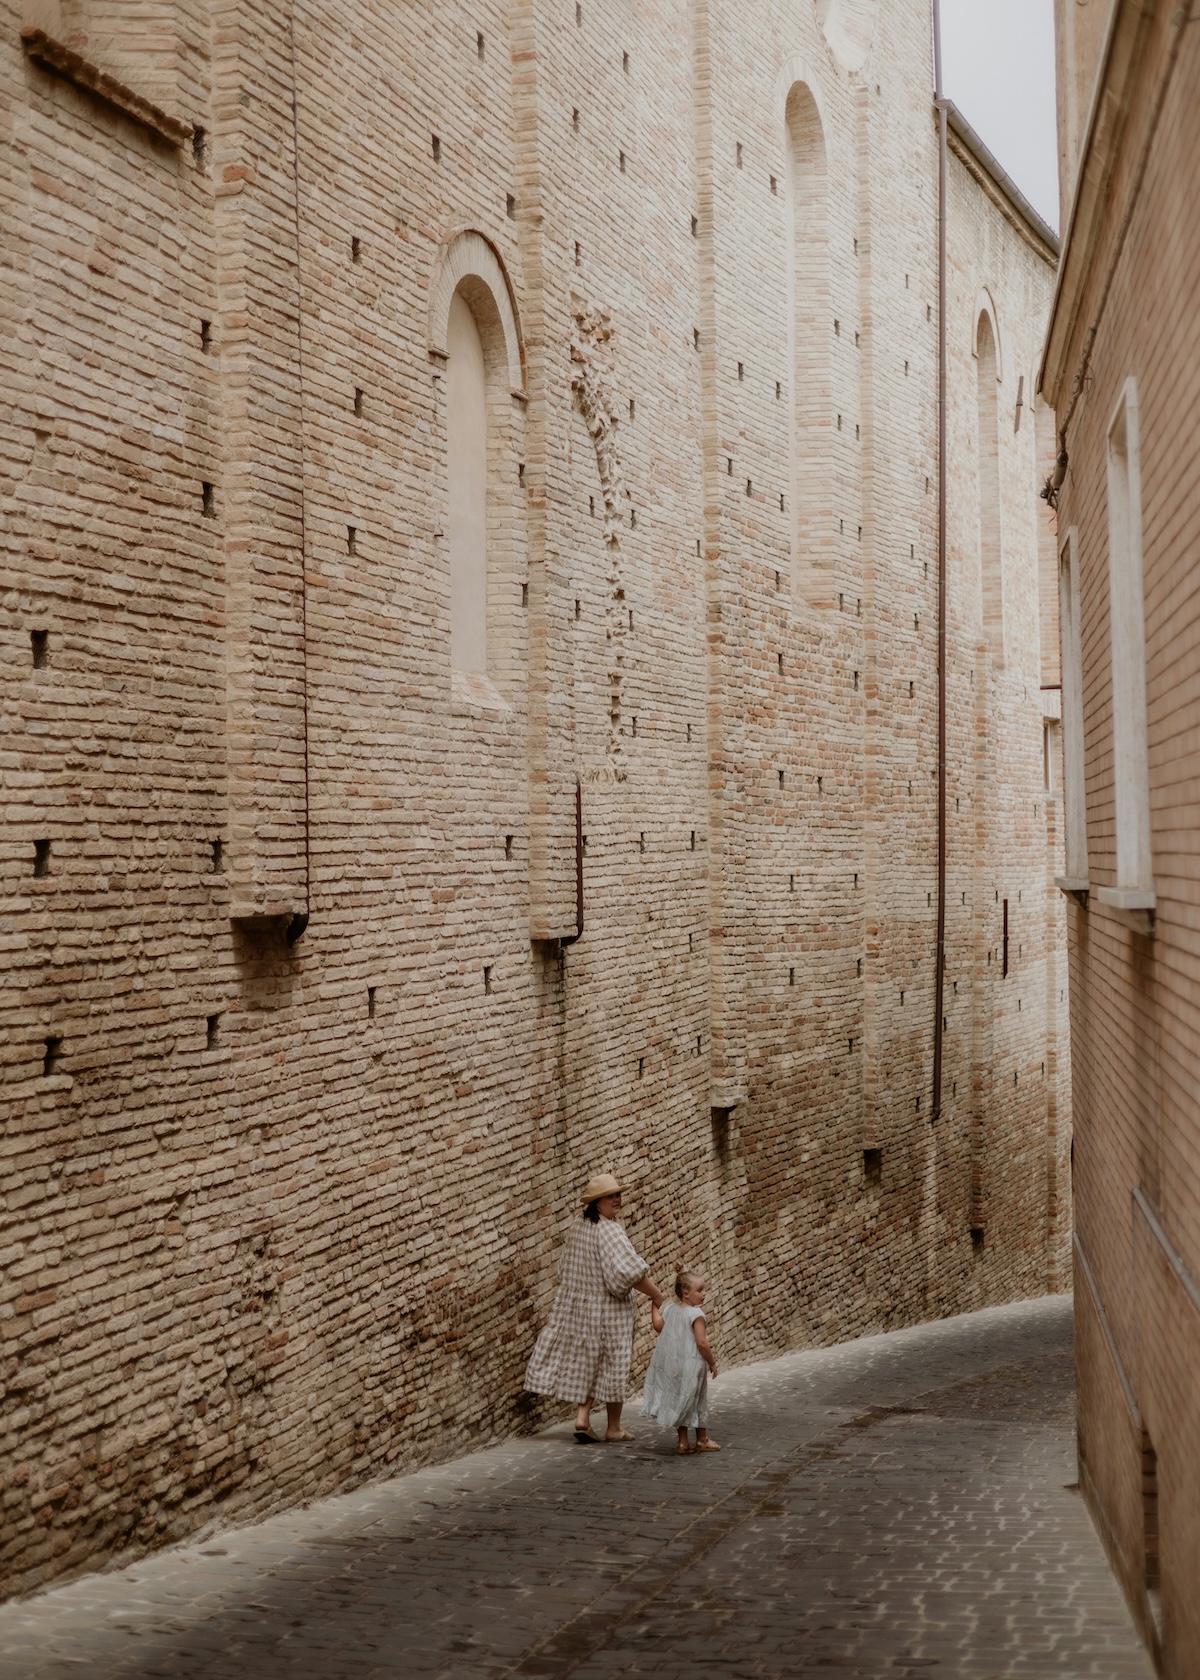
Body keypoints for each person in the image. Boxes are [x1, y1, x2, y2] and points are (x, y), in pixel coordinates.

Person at [524, 1174, 665, 1442]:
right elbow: (629, 1274)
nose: (617, 1199)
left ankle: (582, 1418)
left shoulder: (579, 1226)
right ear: (596, 1202)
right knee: (613, 1363)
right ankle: (614, 1428)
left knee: (589, 1360)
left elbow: (563, 1268)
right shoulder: (610, 1230)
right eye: (610, 1196)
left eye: (618, 1194)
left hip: (578, 1308)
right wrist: (657, 1296)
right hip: (608, 1311)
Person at [641, 1270, 720, 1454]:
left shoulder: (670, 1310)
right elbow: (701, 1342)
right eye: (700, 1290)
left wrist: (654, 1306)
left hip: (674, 1366)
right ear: (686, 1293)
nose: (704, 1293)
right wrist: (712, 1362)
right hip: (692, 1366)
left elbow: (658, 1326)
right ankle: (702, 1439)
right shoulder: (696, 1314)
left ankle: (683, 1442)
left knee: (680, 1398)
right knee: (697, 1399)